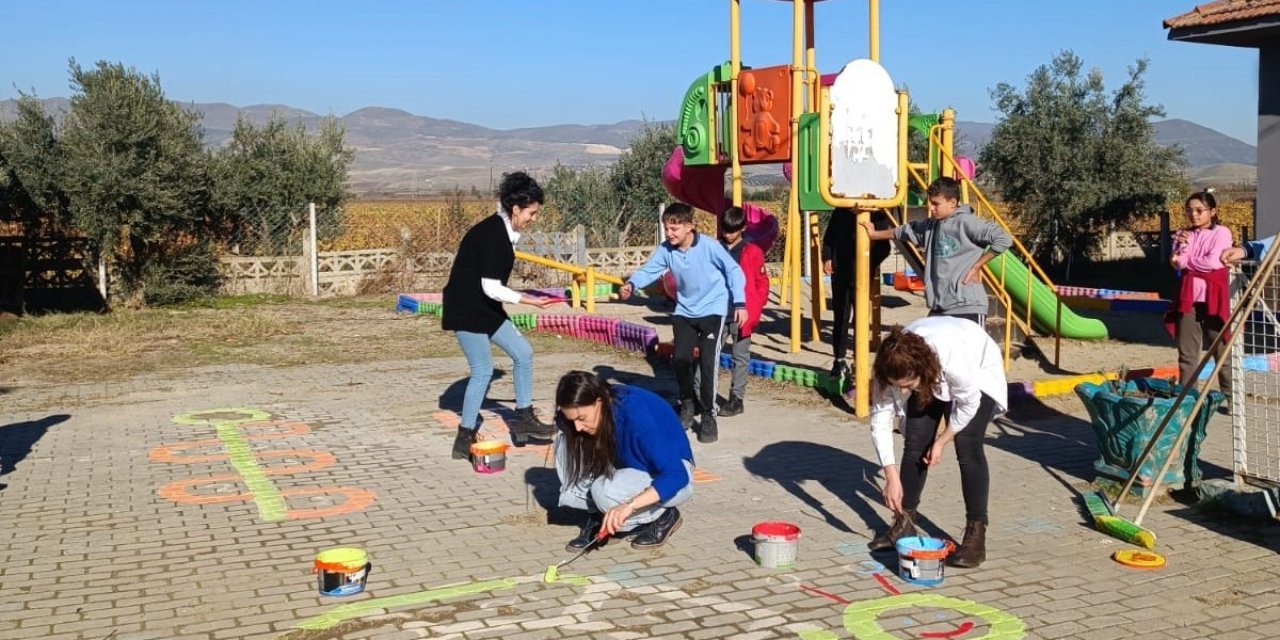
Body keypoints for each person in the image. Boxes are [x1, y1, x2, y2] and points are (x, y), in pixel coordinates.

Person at [866, 316, 1007, 569]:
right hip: (930, 367)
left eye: (909, 386)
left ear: (919, 372)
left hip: (978, 365)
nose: (905, 392)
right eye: (900, 388)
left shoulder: (954, 361)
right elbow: (880, 421)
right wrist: (890, 475)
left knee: (968, 445)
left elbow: (968, 405)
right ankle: (904, 524)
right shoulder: (888, 369)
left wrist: (942, 440)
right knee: (915, 442)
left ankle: (976, 534)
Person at [441, 171, 560, 460]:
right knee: (482, 371)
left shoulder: (505, 233)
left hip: (486, 308)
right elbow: (491, 287)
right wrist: (528, 300)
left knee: (523, 353)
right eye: (532, 213)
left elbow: (491, 289)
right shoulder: (493, 235)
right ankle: (465, 435)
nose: (535, 218)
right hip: (467, 309)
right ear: (516, 209)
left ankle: (523, 420)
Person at [619, 203, 747, 444]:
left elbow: (733, 271)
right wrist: (632, 284)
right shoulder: (667, 250)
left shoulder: (709, 246)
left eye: (674, 229)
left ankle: (709, 416)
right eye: (667, 228)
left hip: (713, 310)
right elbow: (650, 270)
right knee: (680, 359)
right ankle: (688, 404)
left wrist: (740, 303)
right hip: (685, 310)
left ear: (690, 226)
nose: (669, 234)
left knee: (708, 363)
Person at [554, 370, 694, 551]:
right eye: (571, 419)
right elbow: (566, 423)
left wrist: (630, 506)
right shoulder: (593, 408)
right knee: (564, 440)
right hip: (630, 466)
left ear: (599, 401)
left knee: (603, 492)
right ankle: (599, 515)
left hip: (674, 476)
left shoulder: (636, 416)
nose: (578, 426)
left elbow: (677, 475)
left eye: (582, 418)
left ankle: (663, 515)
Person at [861, 177, 1011, 324]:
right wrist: (875, 234)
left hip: (967, 307)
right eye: (930, 203)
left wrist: (977, 266)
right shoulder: (931, 226)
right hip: (940, 307)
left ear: (952, 203)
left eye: (935, 204)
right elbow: (904, 231)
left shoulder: (967, 222)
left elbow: (1003, 239)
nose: (931, 208)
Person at [1165, 191, 1233, 398]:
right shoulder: (1185, 235)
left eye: (1199, 210)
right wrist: (1182, 248)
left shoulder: (1222, 233)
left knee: (1221, 350)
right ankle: (1187, 399)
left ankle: (1230, 396)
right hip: (1189, 299)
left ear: (1212, 211)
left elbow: (1214, 262)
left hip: (1214, 299)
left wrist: (1189, 261)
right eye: (1189, 211)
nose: (1194, 215)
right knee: (1187, 354)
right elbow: (1176, 262)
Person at [707, 206, 770, 417]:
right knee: (709, 355)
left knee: (740, 357)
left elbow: (762, 283)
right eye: (725, 230)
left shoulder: (753, 251)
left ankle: (736, 399)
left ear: (742, 228)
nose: (728, 234)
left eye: (732, 230)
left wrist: (755, 308)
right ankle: (704, 396)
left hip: (742, 313)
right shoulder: (714, 248)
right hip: (717, 311)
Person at [822, 207, 893, 380]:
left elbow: (884, 248)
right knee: (840, 316)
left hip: (861, 275)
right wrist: (827, 257)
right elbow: (829, 238)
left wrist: (869, 263)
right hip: (840, 272)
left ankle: (858, 359)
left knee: (860, 318)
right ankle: (838, 361)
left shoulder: (876, 214)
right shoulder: (840, 211)